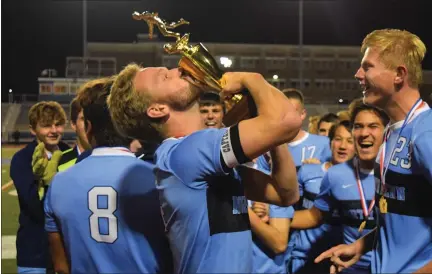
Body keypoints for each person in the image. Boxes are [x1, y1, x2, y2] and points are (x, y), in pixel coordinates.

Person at [107, 65, 302, 273]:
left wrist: (271, 136)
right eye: (164, 77)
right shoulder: (184, 154)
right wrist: (250, 78)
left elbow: (286, 194)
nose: (178, 70)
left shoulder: (201, 157)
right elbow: (287, 121)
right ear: (157, 109)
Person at [316, 29, 432, 274]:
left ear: (399, 74)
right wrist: (361, 246)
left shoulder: (425, 134)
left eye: (367, 67)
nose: (358, 74)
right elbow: (400, 222)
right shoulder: (391, 132)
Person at [44, 77, 172, 273]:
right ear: (129, 125)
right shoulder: (160, 180)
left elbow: (61, 268)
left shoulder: (59, 182)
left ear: (87, 127)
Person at [295, 103, 389, 273]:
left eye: (373, 126)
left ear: (386, 131)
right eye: (358, 126)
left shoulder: (401, 174)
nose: (364, 133)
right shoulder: (335, 175)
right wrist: (275, 217)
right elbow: (314, 216)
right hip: (348, 268)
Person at [287, 120, 355, 273]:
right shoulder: (307, 171)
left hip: (339, 260)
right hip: (304, 257)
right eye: (338, 139)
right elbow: (289, 209)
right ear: (330, 142)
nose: (343, 146)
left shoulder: (362, 180)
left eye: (350, 141)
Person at [10, 101, 69, 273]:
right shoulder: (22, 159)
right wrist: (49, 182)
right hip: (34, 254)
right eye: (46, 125)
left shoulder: (69, 155)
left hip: (68, 252)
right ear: (32, 129)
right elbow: (34, 206)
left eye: (58, 125)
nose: (53, 130)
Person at [57, 98, 90, 172]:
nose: (90, 125)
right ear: (73, 124)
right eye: (83, 119)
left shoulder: (113, 161)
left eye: (94, 118)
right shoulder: (58, 163)